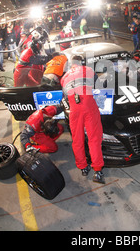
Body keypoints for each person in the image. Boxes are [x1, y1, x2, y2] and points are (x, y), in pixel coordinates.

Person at [60, 55, 105, 184]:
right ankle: (97, 171)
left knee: (77, 140)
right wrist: (101, 104)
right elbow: (100, 89)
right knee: (94, 139)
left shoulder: (64, 78)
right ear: (81, 62)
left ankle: (83, 167)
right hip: (89, 107)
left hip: (74, 111)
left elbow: (65, 97)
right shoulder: (88, 70)